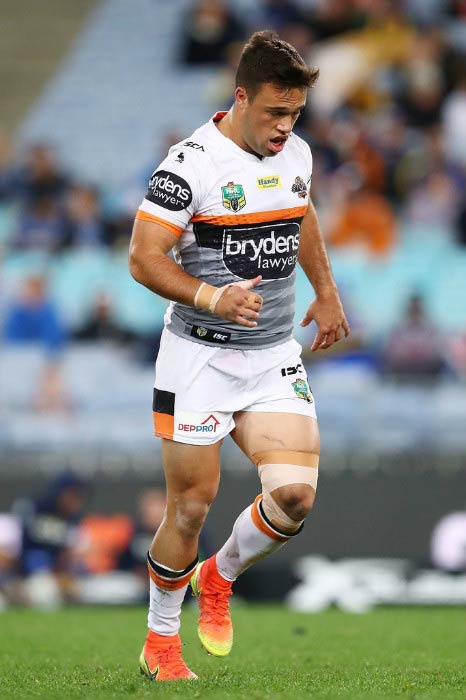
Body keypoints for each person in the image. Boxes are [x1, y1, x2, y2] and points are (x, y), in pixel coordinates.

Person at [129, 30, 349, 682]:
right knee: (191, 507)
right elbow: (143, 257)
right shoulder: (189, 165)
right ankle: (160, 643)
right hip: (198, 357)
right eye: (274, 113)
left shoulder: (297, 154)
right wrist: (209, 296)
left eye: (296, 114)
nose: (285, 127)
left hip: (270, 354)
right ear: (241, 97)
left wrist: (327, 290)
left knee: (294, 500)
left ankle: (218, 576)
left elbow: (300, 210)